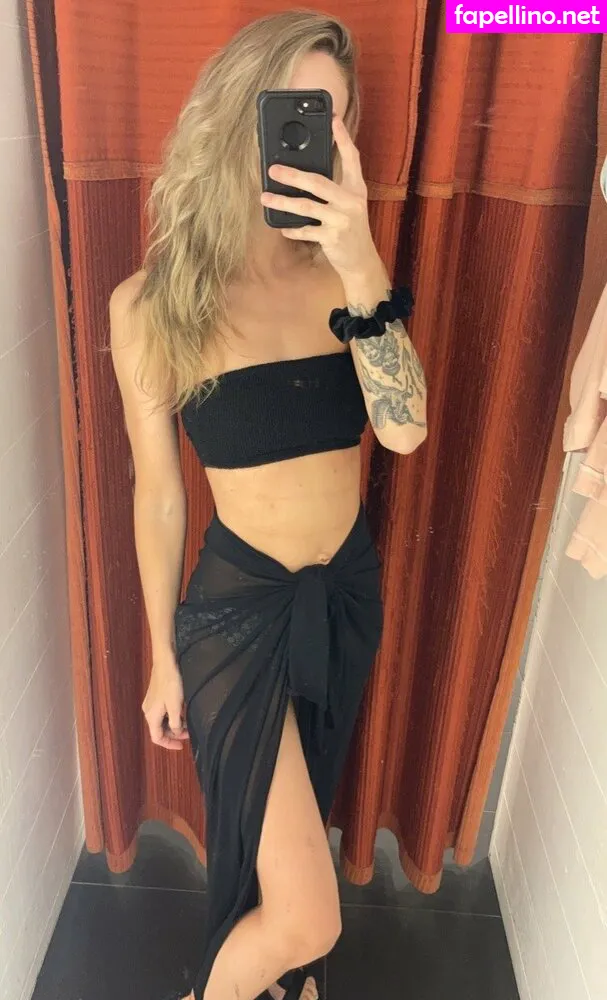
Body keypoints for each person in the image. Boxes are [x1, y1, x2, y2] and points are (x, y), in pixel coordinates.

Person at [110, 10, 427, 1000]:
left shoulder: (346, 277)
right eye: (292, 109)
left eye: (332, 116)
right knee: (307, 913)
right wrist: (161, 655)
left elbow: (405, 431)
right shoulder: (153, 304)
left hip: (345, 595)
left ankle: (285, 985)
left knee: (289, 837)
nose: (311, 135)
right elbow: (159, 492)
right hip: (234, 617)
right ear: (236, 114)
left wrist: (362, 260)